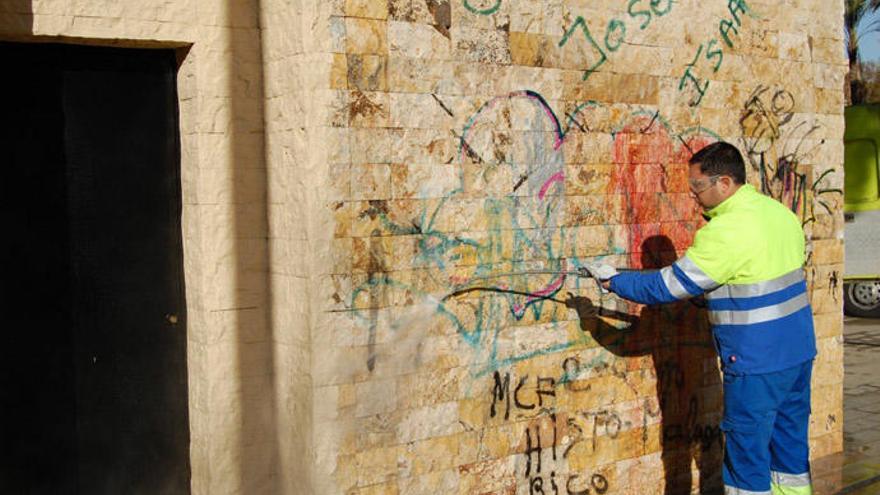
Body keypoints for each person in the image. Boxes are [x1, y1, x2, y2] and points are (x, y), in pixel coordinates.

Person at [586, 141, 817, 495]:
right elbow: (756, 277)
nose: (693, 196)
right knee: (789, 459)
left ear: (724, 183)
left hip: (757, 365)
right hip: (798, 355)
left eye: (697, 187)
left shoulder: (726, 231)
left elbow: (667, 286)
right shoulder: (778, 213)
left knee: (746, 463)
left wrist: (612, 280)